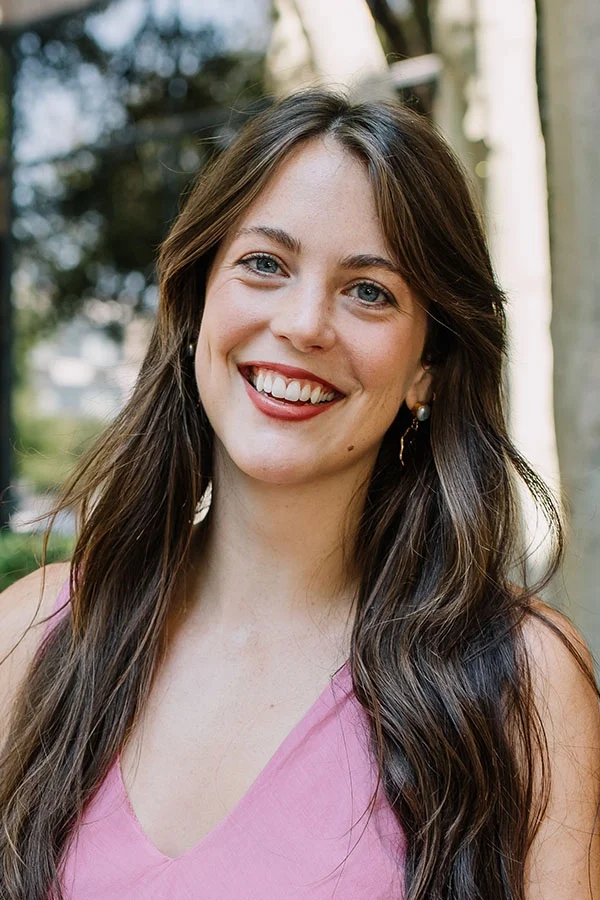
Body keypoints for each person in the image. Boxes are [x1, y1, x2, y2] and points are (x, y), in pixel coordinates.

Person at [1, 88, 599, 900]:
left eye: (369, 291)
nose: (305, 323)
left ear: (427, 364)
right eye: (265, 265)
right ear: (197, 302)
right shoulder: (32, 634)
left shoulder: (521, 682)